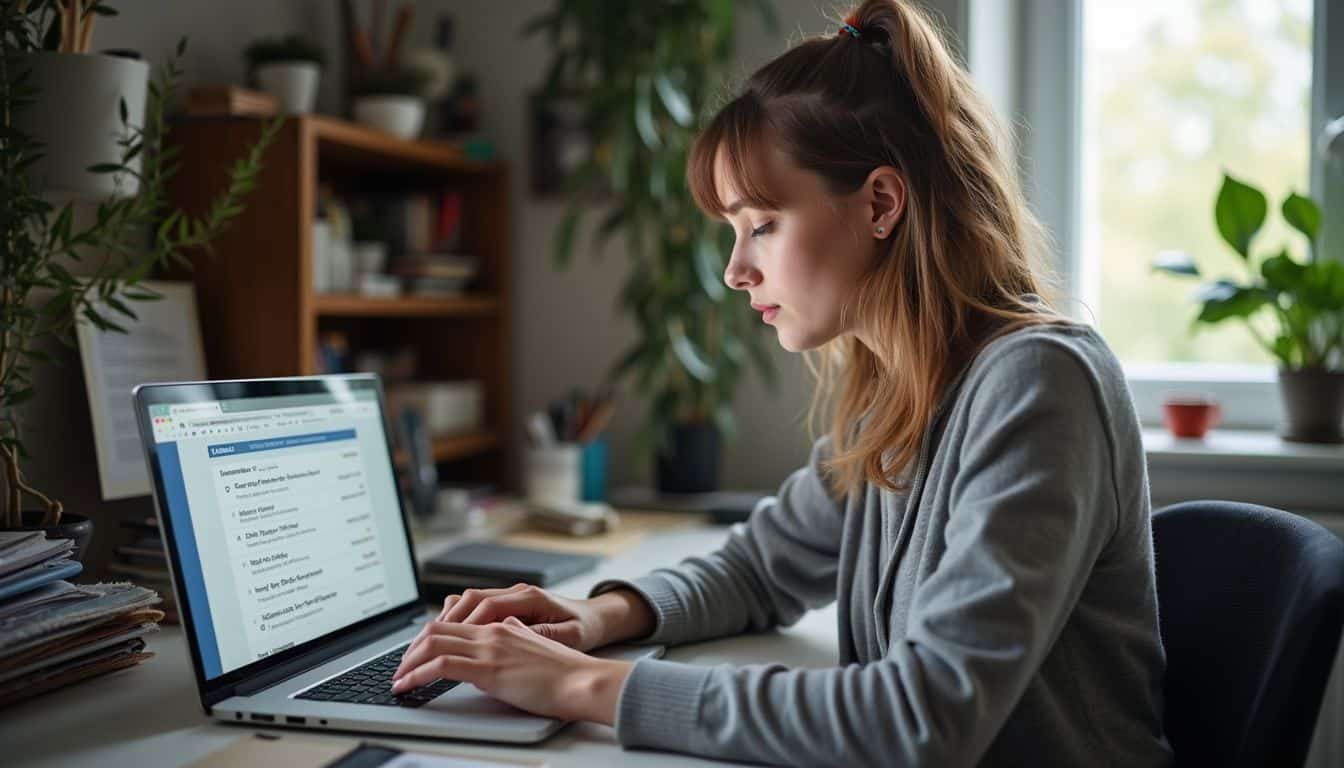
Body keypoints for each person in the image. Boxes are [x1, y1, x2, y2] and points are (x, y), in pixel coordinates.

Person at [392, 1, 1174, 764]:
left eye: (761, 224)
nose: (736, 271)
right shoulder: (896, 392)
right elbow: (762, 567)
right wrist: (595, 617)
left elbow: (923, 719)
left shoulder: (1038, 384)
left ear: (880, 203)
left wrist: (585, 686)